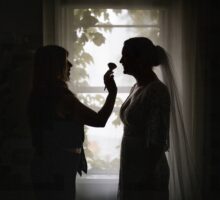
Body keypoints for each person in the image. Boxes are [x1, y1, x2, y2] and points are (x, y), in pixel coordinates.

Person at [28, 45, 117, 200]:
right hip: (58, 168)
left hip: (47, 165)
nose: (70, 65)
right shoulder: (61, 98)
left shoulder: (38, 93)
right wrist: (112, 93)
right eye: (65, 61)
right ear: (54, 67)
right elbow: (99, 120)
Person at [117, 37, 171, 200]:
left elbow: (158, 139)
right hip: (131, 165)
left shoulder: (157, 91)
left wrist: (143, 176)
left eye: (125, 56)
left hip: (147, 171)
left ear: (139, 59)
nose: (120, 61)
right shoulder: (136, 87)